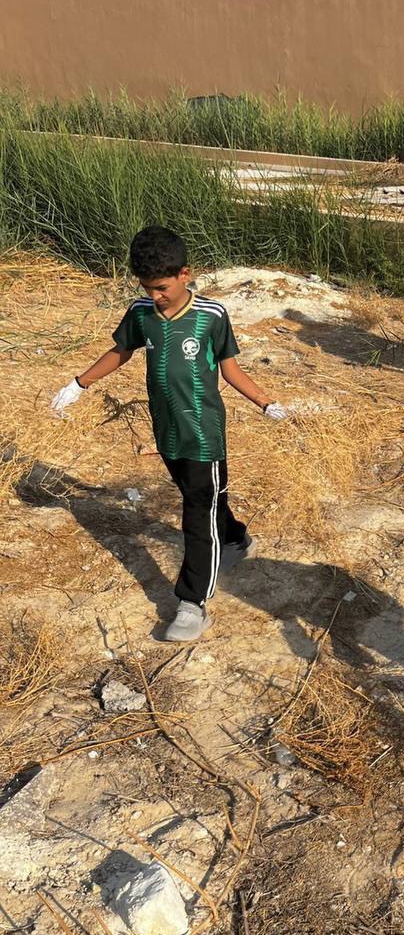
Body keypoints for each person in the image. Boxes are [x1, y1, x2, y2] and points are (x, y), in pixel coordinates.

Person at [50, 225, 287, 642]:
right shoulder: (141, 313)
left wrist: (266, 403)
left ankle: (192, 603)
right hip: (167, 429)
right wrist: (79, 384)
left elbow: (230, 369)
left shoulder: (212, 316)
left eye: (161, 287)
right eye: (147, 287)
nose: (155, 295)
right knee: (204, 498)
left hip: (202, 431)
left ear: (184, 274)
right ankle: (235, 539)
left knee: (196, 511)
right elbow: (121, 351)